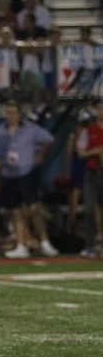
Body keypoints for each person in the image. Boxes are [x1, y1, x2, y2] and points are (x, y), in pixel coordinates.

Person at [0, 101, 56, 257]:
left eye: (13, 112)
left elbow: (49, 139)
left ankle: (45, 242)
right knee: (15, 211)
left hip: (27, 172)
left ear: (19, 113)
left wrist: (40, 154)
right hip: (8, 173)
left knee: (34, 209)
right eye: (8, 112)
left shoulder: (31, 129)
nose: (11, 115)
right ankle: (21, 245)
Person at [76, 100, 103, 257]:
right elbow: (80, 152)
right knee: (89, 209)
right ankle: (90, 245)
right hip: (93, 173)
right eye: (100, 109)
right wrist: (95, 151)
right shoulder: (89, 130)